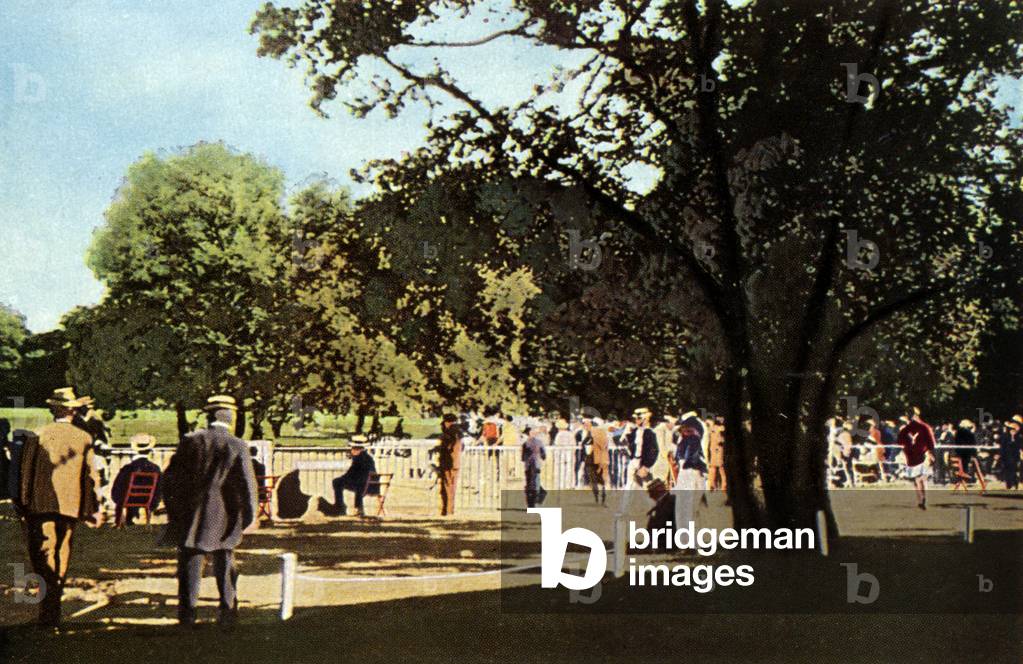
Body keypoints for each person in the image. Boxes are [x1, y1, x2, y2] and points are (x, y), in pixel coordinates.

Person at [161, 395, 258, 628]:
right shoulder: (237, 445)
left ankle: (187, 615)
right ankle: (227, 612)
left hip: (192, 511)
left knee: (190, 563)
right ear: (230, 417)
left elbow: (170, 480)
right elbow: (248, 484)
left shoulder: (190, 441)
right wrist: (249, 516)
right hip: (226, 512)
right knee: (225, 561)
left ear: (208, 416)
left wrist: (174, 512)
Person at [15, 388, 101, 629]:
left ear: (54, 409)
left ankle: (48, 611)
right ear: (72, 411)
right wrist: (93, 508)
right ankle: (53, 608)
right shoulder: (84, 438)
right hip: (71, 506)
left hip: (40, 505)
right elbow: (91, 477)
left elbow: (26, 474)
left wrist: (23, 503)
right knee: (62, 553)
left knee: (44, 555)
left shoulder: (38, 435)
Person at [110, 433, 162, 527]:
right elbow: (159, 487)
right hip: (148, 500)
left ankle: (120, 521)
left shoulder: (128, 467)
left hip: (129, 499)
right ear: (149, 450)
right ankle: (134, 519)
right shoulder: (155, 468)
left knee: (121, 489)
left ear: (135, 449)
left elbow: (117, 487)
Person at [620, 407, 659, 514]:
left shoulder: (650, 433)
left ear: (645, 419)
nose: (636, 421)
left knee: (645, 488)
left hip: (643, 462)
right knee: (630, 486)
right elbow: (625, 443)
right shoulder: (634, 432)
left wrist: (646, 466)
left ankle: (653, 507)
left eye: (639, 418)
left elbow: (654, 451)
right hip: (634, 461)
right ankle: (624, 510)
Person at [324, 437, 376, 516]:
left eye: (353, 448)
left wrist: (341, 479)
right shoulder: (368, 458)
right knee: (341, 481)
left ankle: (340, 506)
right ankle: (352, 507)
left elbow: (350, 474)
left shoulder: (358, 459)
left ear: (357, 449)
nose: (351, 450)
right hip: (371, 484)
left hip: (363, 485)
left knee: (337, 482)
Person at [896, 406, 936, 509]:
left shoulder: (907, 428)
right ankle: (922, 498)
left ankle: (921, 499)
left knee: (917, 479)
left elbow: (899, 442)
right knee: (919, 478)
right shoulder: (923, 427)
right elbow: (931, 443)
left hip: (914, 455)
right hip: (919, 454)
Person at [674, 411, 708, 528]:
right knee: (693, 509)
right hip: (697, 473)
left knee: (685, 508)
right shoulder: (697, 436)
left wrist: (682, 462)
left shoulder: (691, 439)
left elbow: (687, 459)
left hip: (688, 473)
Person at [436, 413, 462, 516]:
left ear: (447, 422)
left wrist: (437, 448)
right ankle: (450, 509)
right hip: (456, 462)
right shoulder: (459, 433)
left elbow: (447, 448)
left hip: (447, 463)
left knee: (446, 487)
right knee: (452, 487)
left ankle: (446, 510)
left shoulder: (448, 434)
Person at [522, 423, 547, 508]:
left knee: (529, 484)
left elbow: (523, 457)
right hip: (537, 465)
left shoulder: (525, 443)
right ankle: (536, 499)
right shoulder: (539, 442)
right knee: (536, 483)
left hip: (528, 466)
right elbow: (544, 455)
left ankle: (531, 504)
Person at [587, 418, 612, 505]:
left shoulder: (593, 433)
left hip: (594, 458)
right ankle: (603, 498)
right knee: (603, 479)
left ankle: (597, 498)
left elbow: (587, 444)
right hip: (603, 459)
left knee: (594, 479)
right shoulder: (604, 434)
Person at [996, 418, 1021, 490]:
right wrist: (1000, 455)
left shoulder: (1019, 437)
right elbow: (1002, 446)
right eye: (1011, 429)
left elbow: (1019, 446)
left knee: (1013, 471)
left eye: (1014, 429)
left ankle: (1014, 484)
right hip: (1006, 456)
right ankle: (1008, 485)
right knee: (1006, 471)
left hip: (1014, 457)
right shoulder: (1005, 436)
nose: (1013, 431)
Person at [707, 417, 726, 491]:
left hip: (713, 449)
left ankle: (712, 485)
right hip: (719, 450)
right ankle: (724, 486)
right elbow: (720, 440)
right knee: (721, 468)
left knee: (713, 467)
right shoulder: (722, 429)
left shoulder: (711, 428)